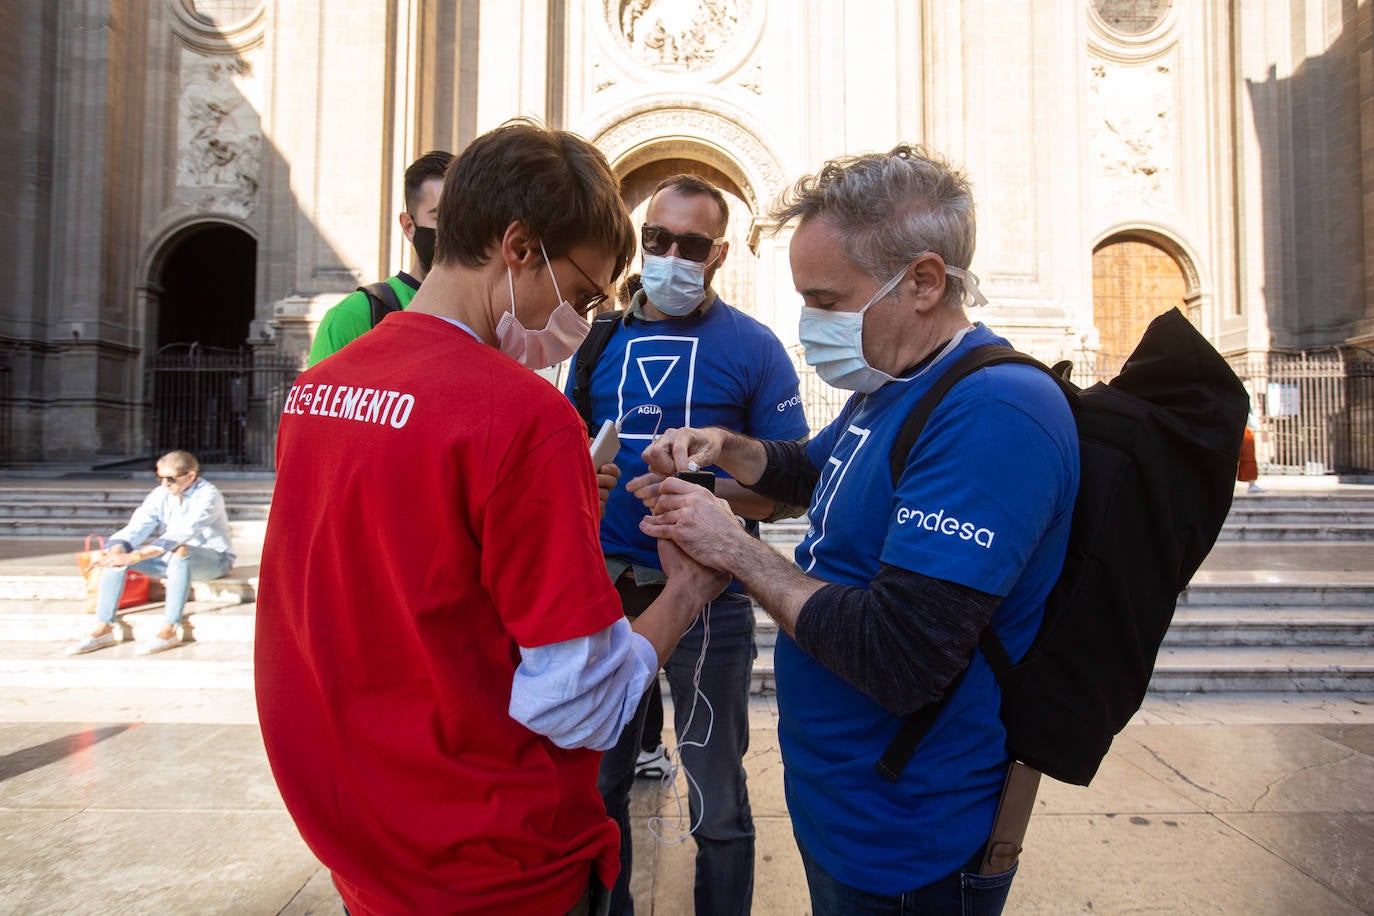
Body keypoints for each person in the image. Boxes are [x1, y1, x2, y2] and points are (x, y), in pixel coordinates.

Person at [255, 120, 728, 916]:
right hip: (494, 859)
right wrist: (686, 590)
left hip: (361, 837)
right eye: (580, 293)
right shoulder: (521, 414)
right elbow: (582, 702)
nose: (577, 320)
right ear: (518, 246)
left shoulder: (319, 390)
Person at [638, 145, 1080, 914]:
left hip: (910, 834)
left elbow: (899, 655)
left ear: (923, 282)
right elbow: (815, 471)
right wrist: (730, 448)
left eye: (826, 299)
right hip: (846, 802)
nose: (809, 322)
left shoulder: (992, 413)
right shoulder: (891, 386)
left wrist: (734, 550)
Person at [567, 173, 807, 916]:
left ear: (720, 253)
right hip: (606, 595)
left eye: (691, 244)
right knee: (599, 788)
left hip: (710, 596)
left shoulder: (754, 347)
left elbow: (786, 488)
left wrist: (705, 493)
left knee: (717, 795)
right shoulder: (598, 337)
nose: (671, 255)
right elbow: (569, 453)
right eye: (657, 240)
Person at [72, 450, 234, 655]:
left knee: (179, 549)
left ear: (191, 476)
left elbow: (183, 532)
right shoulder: (161, 494)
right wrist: (118, 549)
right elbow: (138, 525)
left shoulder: (209, 495)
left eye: (170, 479)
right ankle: (104, 626)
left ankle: (170, 627)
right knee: (116, 557)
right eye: (160, 477)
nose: (164, 484)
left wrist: (136, 556)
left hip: (212, 559)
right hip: (169, 560)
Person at [305, 149, 454, 367]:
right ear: (409, 227)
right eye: (440, 217)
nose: (456, 230)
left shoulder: (494, 320)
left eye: (464, 216)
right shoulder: (354, 316)